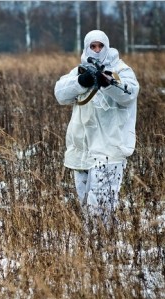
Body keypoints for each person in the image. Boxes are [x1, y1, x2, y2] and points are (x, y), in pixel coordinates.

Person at [54, 30, 139, 227]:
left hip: (109, 148)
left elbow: (130, 94)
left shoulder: (121, 69)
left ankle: (104, 247)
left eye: (101, 46)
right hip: (82, 149)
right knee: (85, 206)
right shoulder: (80, 70)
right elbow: (60, 94)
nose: (97, 50)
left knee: (101, 206)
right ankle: (93, 247)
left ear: (107, 46)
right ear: (86, 48)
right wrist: (81, 82)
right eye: (93, 46)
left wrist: (109, 83)